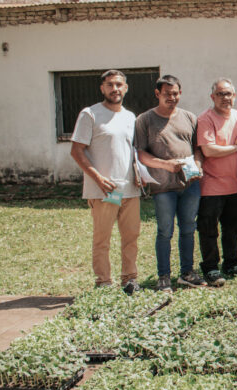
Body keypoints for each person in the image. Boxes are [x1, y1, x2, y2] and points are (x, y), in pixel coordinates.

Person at [69, 69, 141, 293]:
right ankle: (103, 282)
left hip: (129, 189)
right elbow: (76, 151)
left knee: (131, 238)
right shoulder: (90, 114)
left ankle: (129, 279)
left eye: (119, 85)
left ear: (126, 88)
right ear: (102, 88)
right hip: (105, 190)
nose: (115, 89)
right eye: (110, 85)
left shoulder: (130, 117)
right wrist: (97, 178)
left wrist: (141, 176)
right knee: (103, 239)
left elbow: (134, 152)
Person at [135, 75, 206, 292]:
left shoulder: (189, 117)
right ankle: (164, 276)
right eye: (167, 94)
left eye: (176, 93)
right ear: (157, 94)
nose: (172, 98)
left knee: (188, 228)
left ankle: (187, 272)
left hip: (190, 184)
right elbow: (140, 154)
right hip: (163, 186)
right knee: (165, 231)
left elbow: (197, 148)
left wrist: (198, 164)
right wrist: (165, 165)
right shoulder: (145, 120)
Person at [195, 78, 237, 287]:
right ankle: (211, 266)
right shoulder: (205, 119)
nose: (225, 98)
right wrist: (235, 148)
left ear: (234, 96)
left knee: (232, 227)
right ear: (212, 97)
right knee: (209, 229)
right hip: (211, 186)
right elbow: (208, 150)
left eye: (229, 94)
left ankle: (231, 262)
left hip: (234, 185)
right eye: (221, 94)